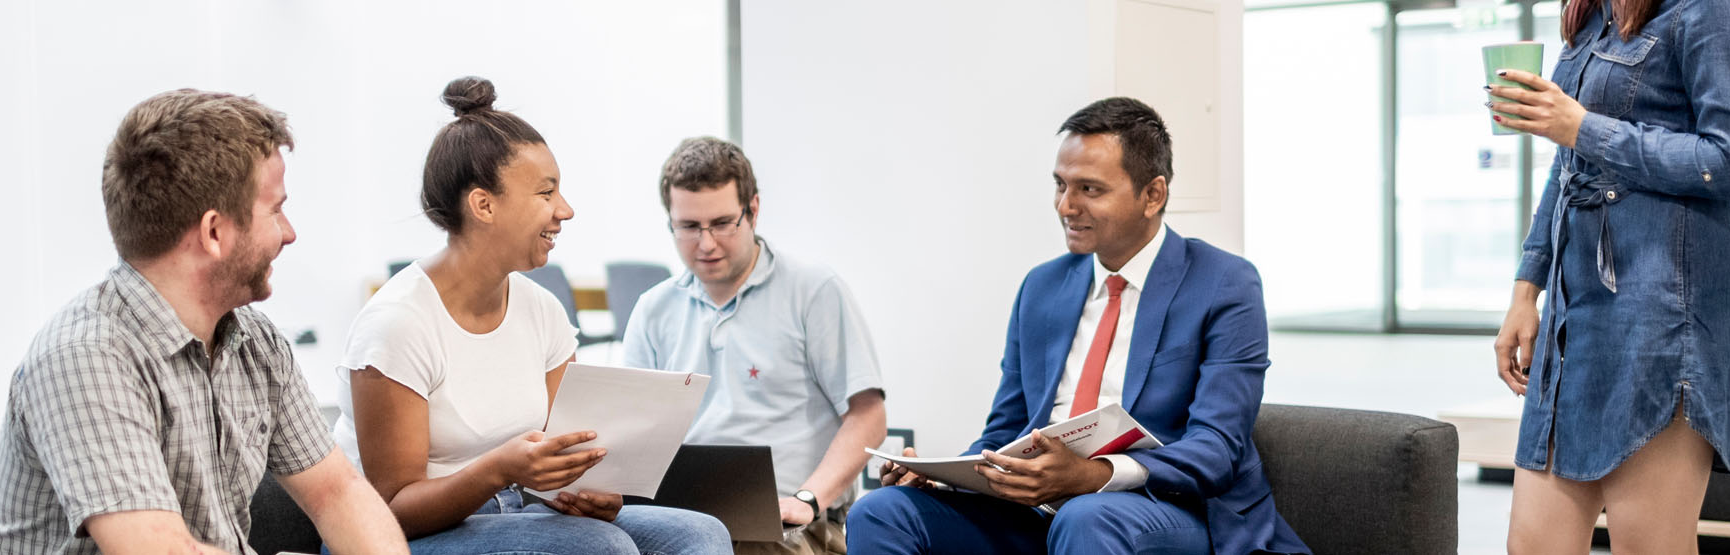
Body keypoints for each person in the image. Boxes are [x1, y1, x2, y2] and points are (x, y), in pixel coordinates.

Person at [846, 97, 1309, 555]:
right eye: (1060, 185)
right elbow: (1005, 430)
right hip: (1041, 511)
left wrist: (1096, 476)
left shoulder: (1224, 283)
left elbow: (1217, 448)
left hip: (1170, 508)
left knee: (1086, 516)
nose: (1066, 206)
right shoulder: (1043, 287)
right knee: (882, 510)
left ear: (1153, 195)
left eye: (1089, 189)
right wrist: (947, 476)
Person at [0, 89, 407, 554]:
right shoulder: (86, 356)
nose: (290, 232)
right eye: (275, 209)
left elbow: (338, 494)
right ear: (214, 232)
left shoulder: (256, 342)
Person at [331, 77, 731, 555]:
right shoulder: (397, 324)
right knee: (600, 548)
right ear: (483, 205)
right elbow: (390, 509)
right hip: (392, 537)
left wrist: (590, 491)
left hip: (518, 507)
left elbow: (562, 451)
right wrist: (499, 469)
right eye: (546, 193)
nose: (565, 210)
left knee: (701, 535)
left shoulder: (541, 309)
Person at [1488, 1, 1730, 553]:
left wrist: (1585, 128)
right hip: (1574, 318)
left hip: (1665, 313)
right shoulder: (1593, 11)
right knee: (1532, 543)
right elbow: (1566, 163)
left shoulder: (1719, 6)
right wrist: (1527, 290)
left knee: (1649, 545)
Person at [621, 136, 887, 554]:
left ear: (753, 211)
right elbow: (630, 432)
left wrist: (808, 499)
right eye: (689, 227)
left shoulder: (813, 291)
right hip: (680, 520)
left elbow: (868, 418)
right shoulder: (653, 309)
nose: (706, 244)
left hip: (790, 526)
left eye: (723, 223)